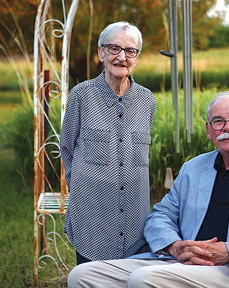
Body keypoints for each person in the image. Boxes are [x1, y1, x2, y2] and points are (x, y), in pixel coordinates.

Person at [67, 91, 229, 288]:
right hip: (179, 261)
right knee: (82, 275)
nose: (228, 127)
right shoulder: (193, 169)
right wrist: (175, 246)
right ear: (209, 131)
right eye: (218, 121)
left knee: (143, 280)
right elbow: (160, 216)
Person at [60, 21, 156, 265]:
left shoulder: (148, 101)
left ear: (136, 58)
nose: (121, 57)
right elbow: (67, 148)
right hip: (92, 217)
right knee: (90, 279)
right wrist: (82, 190)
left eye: (130, 51)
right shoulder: (81, 95)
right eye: (114, 49)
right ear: (101, 53)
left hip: (135, 219)